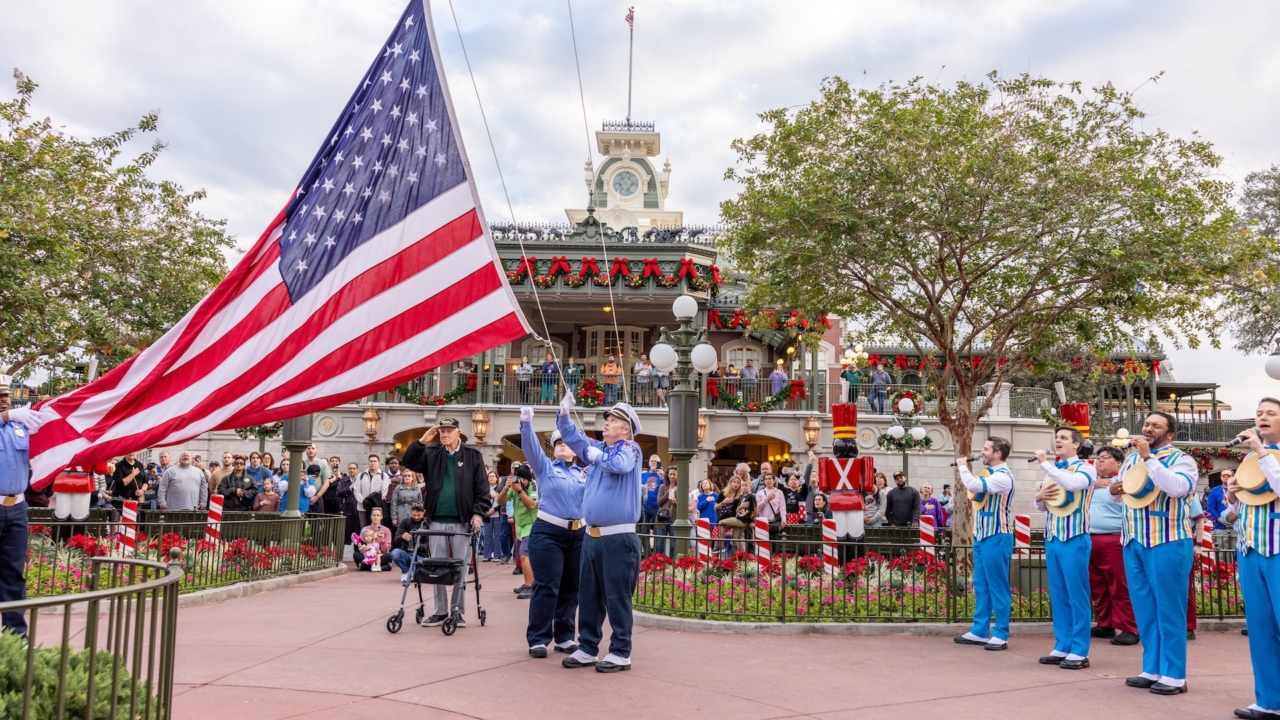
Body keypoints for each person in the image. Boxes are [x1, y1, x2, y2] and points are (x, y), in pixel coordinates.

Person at [1106, 411, 1198, 695]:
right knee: (1144, 608)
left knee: (1169, 608)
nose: (1148, 428)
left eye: (1156, 426)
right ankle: (1152, 667)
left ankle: (1174, 674)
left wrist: (1148, 458)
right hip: (1133, 540)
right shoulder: (1131, 459)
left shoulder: (1182, 460)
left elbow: (1178, 488)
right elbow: (1121, 492)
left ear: (1170, 434)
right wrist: (1114, 489)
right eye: (1146, 424)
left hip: (1167, 540)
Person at [555, 393, 643, 673]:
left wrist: (595, 454)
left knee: (617, 597)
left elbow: (620, 465)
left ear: (626, 429)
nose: (607, 423)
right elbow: (572, 437)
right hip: (592, 536)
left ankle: (620, 651)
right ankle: (588, 647)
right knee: (589, 594)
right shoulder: (599, 450)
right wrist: (564, 413)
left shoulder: (631, 448)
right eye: (607, 419)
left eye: (614, 420)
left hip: (618, 537)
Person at [400, 417, 490, 629]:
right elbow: (409, 462)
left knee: (460, 567)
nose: (445, 435)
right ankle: (440, 612)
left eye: (449, 431)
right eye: (442, 431)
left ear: (458, 433)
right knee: (437, 567)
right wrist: (423, 440)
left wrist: (478, 513)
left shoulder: (472, 455)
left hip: (462, 521)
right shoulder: (432, 453)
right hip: (436, 520)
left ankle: (457, 611)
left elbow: (482, 490)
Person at [1223, 399, 1280, 720]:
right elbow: (1234, 513)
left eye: (1270, 413)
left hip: (1278, 550)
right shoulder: (1251, 460)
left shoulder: (1261, 455)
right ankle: (1269, 700)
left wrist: (1261, 452)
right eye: (1259, 414)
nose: (1262, 418)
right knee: (1260, 629)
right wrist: (1233, 497)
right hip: (1250, 550)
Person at [519, 408, 587, 657]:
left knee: (572, 586)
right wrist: (526, 423)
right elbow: (530, 448)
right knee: (547, 585)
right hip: (548, 532)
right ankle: (538, 638)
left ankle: (565, 636)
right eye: (558, 442)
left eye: (567, 442)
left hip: (578, 534)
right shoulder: (545, 467)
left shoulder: (584, 473)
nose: (562, 445)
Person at [1034, 427, 1098, 670]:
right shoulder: (1053, 471)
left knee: (1077, 594)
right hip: (1053, 536)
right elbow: (1042, 506)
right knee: (1059, 594)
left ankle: (1079, 650)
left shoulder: (1086, 468)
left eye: (1063, 438)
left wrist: (1046, 465)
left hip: (1075, 536)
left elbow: (1072, 485)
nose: (1057, 440)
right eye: (1056, 437)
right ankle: (1062, 645)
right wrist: (1039, 497)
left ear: (1076, 445)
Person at [955, 436, 1016, 651]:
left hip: (998, 536)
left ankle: (1001, 633)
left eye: (986, 449)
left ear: (997, 454)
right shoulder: (991, 474)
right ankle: (980, 630)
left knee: (998, 586)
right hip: (982, 536)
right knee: (981, 585)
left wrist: (963, 467)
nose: (982, 452)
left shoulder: (1003, 477)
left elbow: (973, 485)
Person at [1, 382, 50, 637]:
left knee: (13, 572)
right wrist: (6, 417)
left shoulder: (20, 427)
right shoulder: (8, 420)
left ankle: (15, 636)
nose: (4, 400)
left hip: (17, 507)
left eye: (6, 396)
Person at [1088, 446, 1139, 646]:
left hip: (1114, 538)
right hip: (1091, 538)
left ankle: (1130, 627)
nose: (1099, 461)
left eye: (1105, 457)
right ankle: (1105, 623)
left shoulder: (1123, 481)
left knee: (1120, 585)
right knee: (1098, 586)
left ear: (1118, 463)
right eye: (1098, 457)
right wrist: (1094, 483)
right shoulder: (1090, 482)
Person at [497, 464, 538, 599]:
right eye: (517, 478)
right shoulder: (514, 486)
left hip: (532, 525)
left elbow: (532, 505)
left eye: (522, 479)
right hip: (520, 526)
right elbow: (500, 501)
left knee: (525, 555)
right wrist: (505, 488)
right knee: (521, 556)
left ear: (527, 479)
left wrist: (520, 490)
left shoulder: (533, 485)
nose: (519, 481)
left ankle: (530, 586)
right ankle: (528, 582)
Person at [390, 504, 428, 581]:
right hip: (406, 552)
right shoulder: (405, 521)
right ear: (411, 512)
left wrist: (419, 546)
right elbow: (395, 540)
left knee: (416, 573)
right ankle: (405, 572)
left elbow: (430, 545)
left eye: (419, 515)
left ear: (424, 512)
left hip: (421, 555)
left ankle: (414, 572)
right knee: (395, 553)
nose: (416, 517)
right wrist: (402, 537)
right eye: (414, 515)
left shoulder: (427, 524)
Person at [354, 454, 388, 528]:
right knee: (364, 529)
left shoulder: (384, 475)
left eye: (375, 461)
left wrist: (373, 502)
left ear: (378, 463)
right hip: (363, 507)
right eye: (371, 461)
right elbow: (356, 491)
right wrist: (363, 501)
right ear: (368, 463)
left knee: (377, 529)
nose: (373, 463)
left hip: (377, 508)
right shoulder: (361, 475)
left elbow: (383, 492)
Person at [354, 506, 392, 572]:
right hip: (367, 555)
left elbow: (386, 549)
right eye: (374, 515)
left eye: (378, 515)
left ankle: (365, 567)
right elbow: (360, 544)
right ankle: (383, 567)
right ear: (371, 516)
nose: (376, 517)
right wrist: (364, 548)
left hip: (379, 556)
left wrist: (382, 541)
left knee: (390, 555)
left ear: (381, 517)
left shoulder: (386, 530)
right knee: (356, 554)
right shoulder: (365, 529)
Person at [640, 456, 663, 548]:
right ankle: (646, 556)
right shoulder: (642, 475)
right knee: (644, 533)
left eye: (656, 461)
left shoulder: (662, 476)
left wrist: (662, 476)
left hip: (656, 506)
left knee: (658, 532)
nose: (654, 463)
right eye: (652, 461)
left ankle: (657, 557)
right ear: (649, 463)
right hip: (644, 506)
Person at [655, 467, 678, 555]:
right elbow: (659, 502)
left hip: (674, 518)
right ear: (667, 475)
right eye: (670, 474)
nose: (672, 476)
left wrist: (675, 502)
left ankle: (672, 567)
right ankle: (660, 566)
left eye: (674, 474)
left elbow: (683, 505)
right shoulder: (662, 487)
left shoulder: (681, 487)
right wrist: (669, 491)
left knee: (673, 545)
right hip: (662, 518)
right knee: (659, 545)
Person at [337, 462, 362, 540]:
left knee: (356, 532)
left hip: (356, 508)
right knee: (343, 532)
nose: (352, 470)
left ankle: (357, 550)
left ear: (357, 469)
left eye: (354, 468)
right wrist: (349, 488)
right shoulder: (343, 480)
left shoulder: (360, 480)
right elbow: (338, 492)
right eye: (350, 468)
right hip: (345, 508)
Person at [756, 473, 785, 539]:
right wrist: (766, 499)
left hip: (775, 521)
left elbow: (782, 508)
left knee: (773, 542)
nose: (767, 480)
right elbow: (757, 509)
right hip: (763, 521)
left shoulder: (779, 492)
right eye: (766, 479)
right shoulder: (760, 493)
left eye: (769, 479)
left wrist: (783, 519)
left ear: (774, 481)